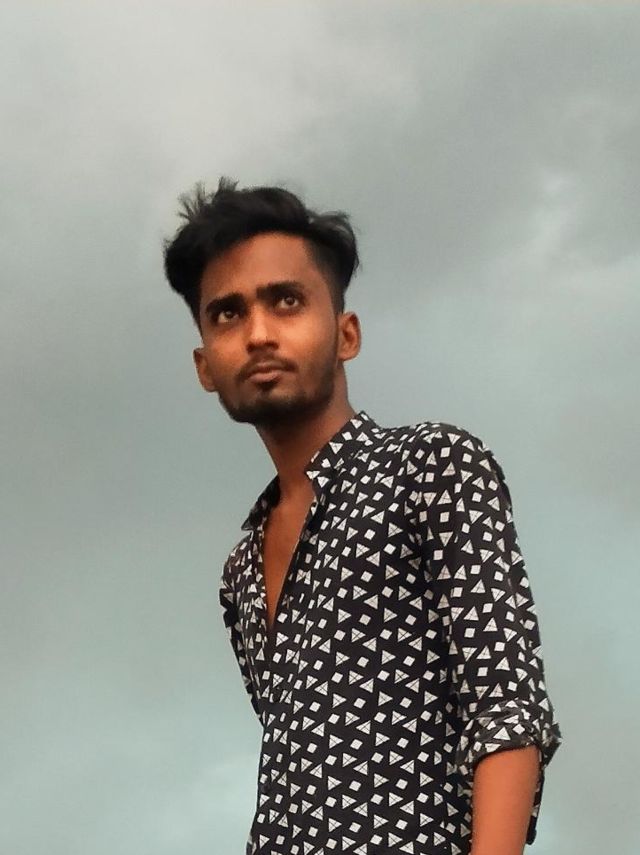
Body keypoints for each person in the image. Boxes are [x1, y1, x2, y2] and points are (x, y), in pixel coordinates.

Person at [162, 177, 563, 855]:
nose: (258, 333)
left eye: (286, 301)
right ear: (205, 366)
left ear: (345, 333)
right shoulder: (241, 569)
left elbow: (506, 708)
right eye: (227, 314)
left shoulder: (430, 465)